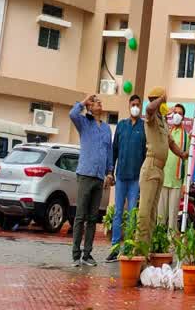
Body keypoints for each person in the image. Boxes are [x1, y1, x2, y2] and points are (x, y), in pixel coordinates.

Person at [135, 87, 188, 249]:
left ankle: (148, 248)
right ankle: (139, 250)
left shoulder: (164, 122)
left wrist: (183, 154)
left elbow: (171, 143)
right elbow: (149, 108)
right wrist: (161, 100)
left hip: (160, 169)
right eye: (161, 100)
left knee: (152, 214)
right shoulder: (151, 117)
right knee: (145, 213)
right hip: (150, 167)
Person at [69, 94, 113, 267]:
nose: (99, 103)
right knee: (80, 216)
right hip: (85, 174)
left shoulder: (106, 128)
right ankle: (75, 255)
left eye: (99, 101)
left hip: (99, 176)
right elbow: (72, 114)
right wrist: (84, 102)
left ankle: (88, 254)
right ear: (89, 107)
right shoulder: (84, 123)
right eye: (95, 102)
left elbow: (109, 151)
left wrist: (109, 172)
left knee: (93, 217)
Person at [106, 94, 146, 263]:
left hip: (136, 178)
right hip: (121, 176)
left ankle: (129, 247)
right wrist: (110, 171)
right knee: (118, 213)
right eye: (133, 104)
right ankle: (115, 248)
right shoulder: (121, 125)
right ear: (129, 106)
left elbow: (146, 153)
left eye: (138, 105)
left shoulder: (144, 127)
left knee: (132, 214)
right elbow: (114, 150)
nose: (135, 107)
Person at [158, 104, 189, 230]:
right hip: (164, 178)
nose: (176, 115)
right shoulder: (167, 131)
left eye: (179, 113)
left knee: (172, 216)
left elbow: (187, 160)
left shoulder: (186, 136)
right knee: (160, 215)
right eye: (175, 112)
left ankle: (170, 245)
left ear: (183, 117)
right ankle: (158, 243)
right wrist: (165, 113)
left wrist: (185, 183)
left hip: (176, 181)